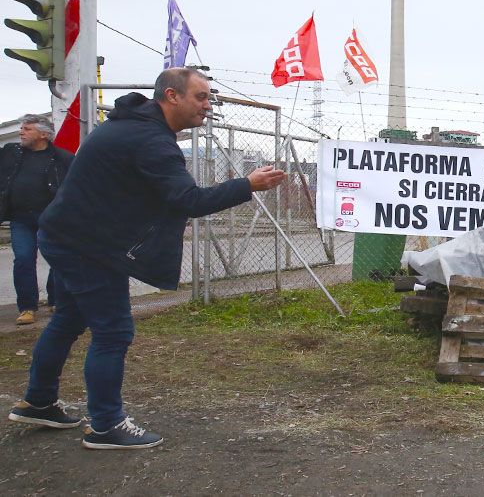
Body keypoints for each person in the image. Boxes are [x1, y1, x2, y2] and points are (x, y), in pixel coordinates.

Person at [7, 67, 285, 449]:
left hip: (71, 235)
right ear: (172, 97)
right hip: (88, 246)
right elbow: (189, 200)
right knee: (113, 331)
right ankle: (105, 425)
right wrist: (247, 185)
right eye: (200, 97)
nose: (207, 105)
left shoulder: (133, 127)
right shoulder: (150, 140)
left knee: (70, 318)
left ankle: (38, 402)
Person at [0, 114, 73, 325]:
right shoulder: (11, 154)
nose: (21, 132)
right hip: (20, 218)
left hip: (50, 219)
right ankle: (27, 307)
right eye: (21, 127)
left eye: (27, 129)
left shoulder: (63, 158)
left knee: (57, 260)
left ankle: (56, 300)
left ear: (43, 134)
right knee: (23, 260)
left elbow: (75, 186)